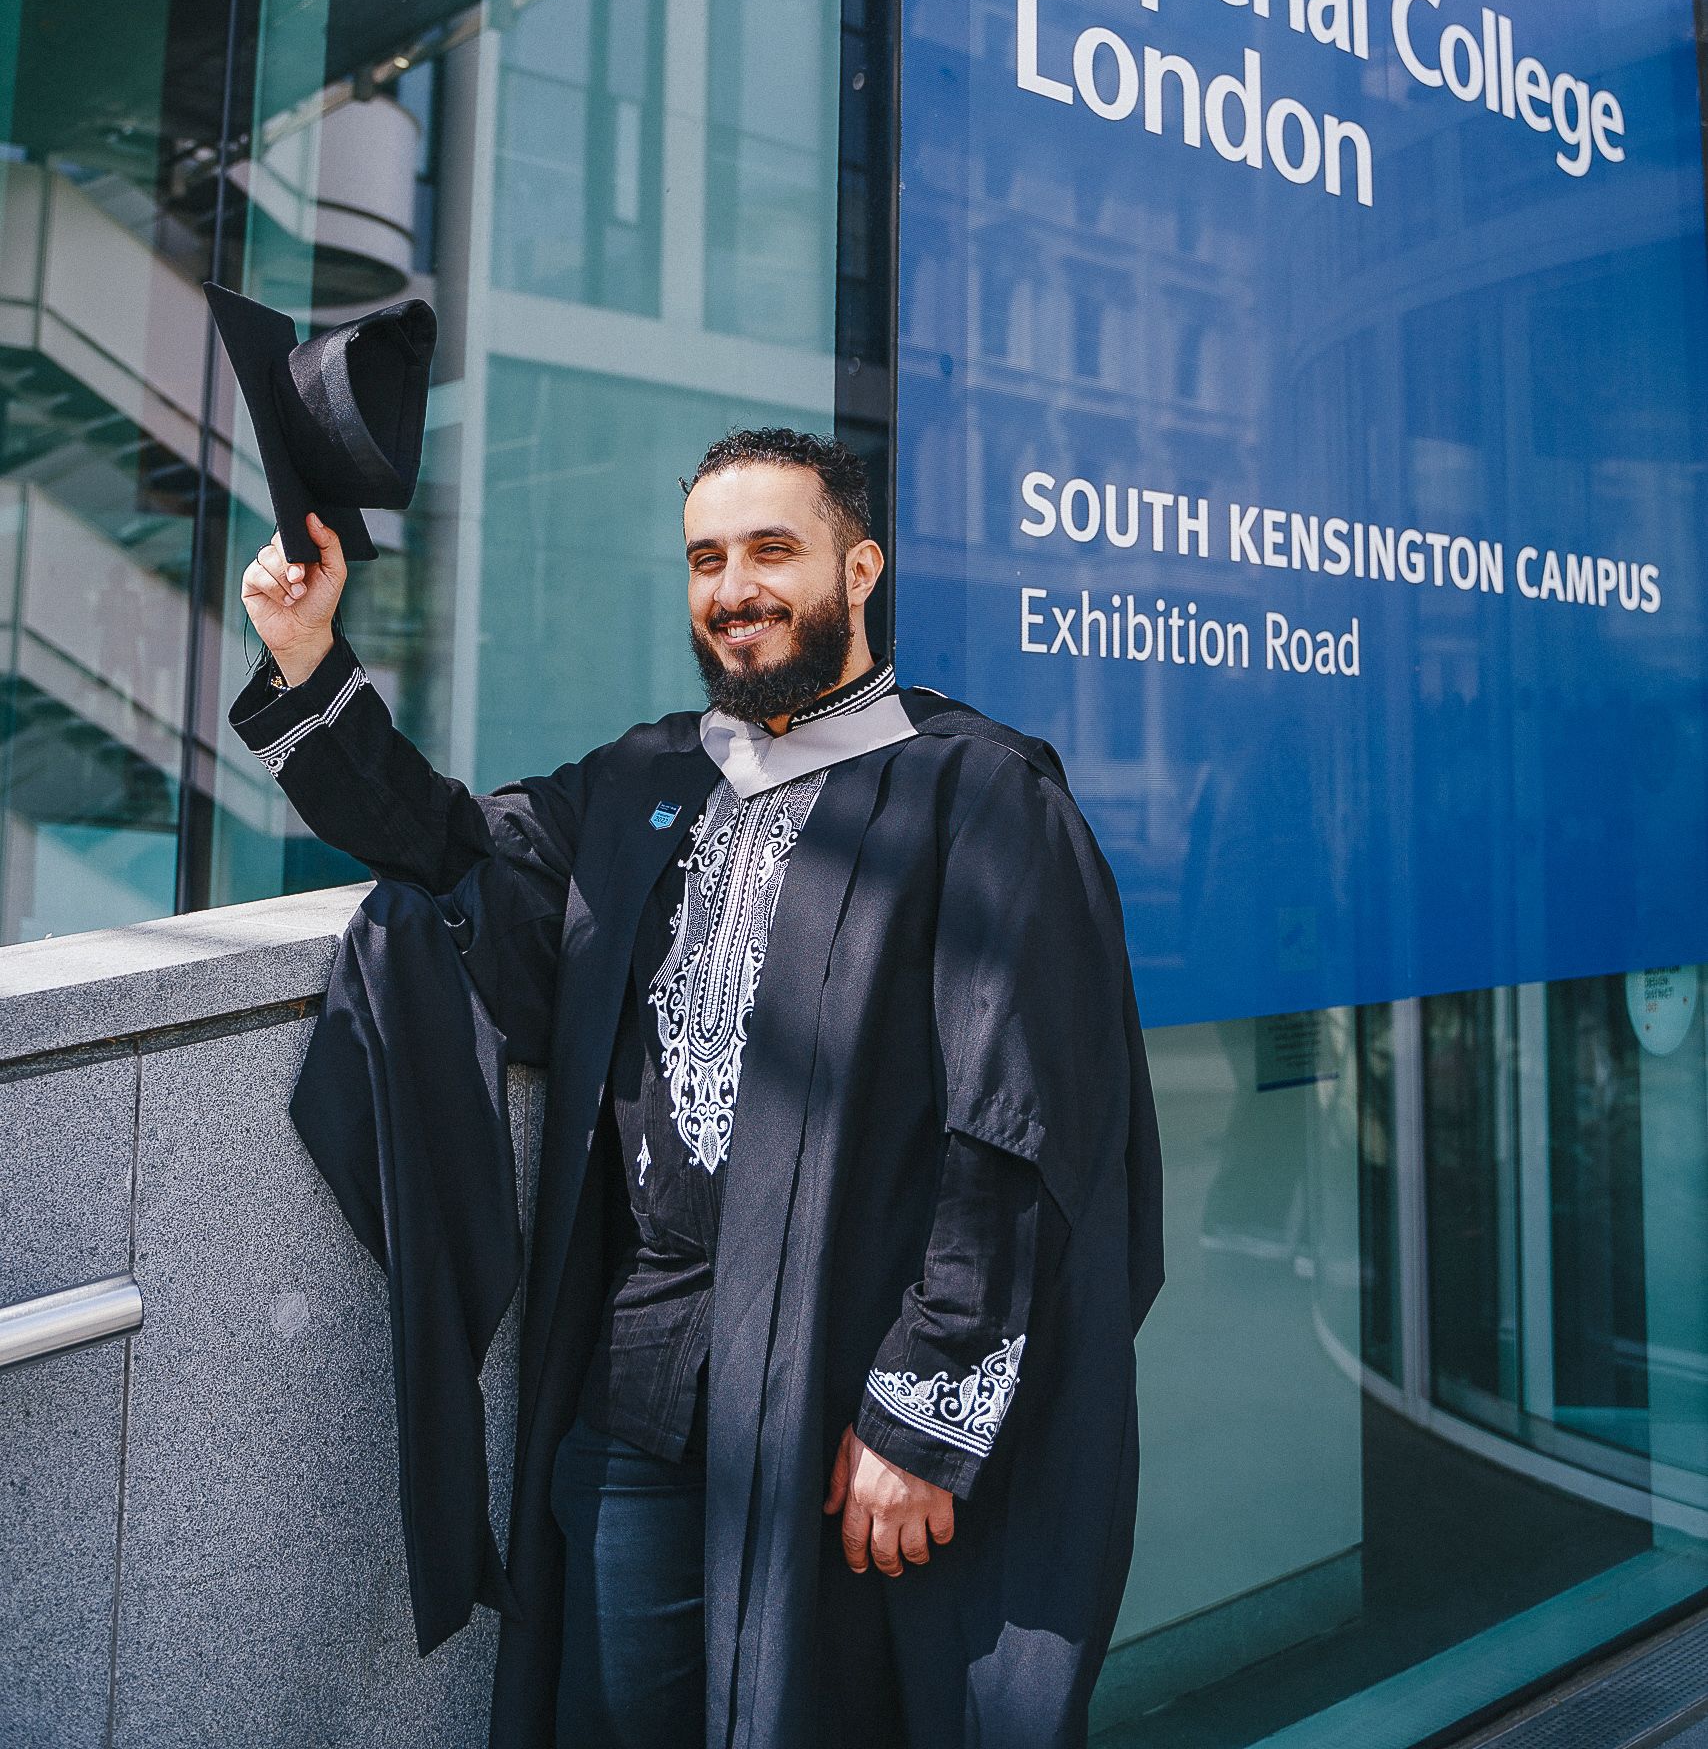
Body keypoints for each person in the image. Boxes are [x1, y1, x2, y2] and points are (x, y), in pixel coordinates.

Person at [233, 426, 1162, 1749]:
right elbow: (451, 853)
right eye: (707, 559)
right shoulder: (646, 781)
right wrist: (309, 657)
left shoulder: (977, 791)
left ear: (860, 570)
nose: (736, 589)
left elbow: (1019, 1126)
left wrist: (924, 1414)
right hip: (642, 1389)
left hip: (844, 1391)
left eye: (773, 551)